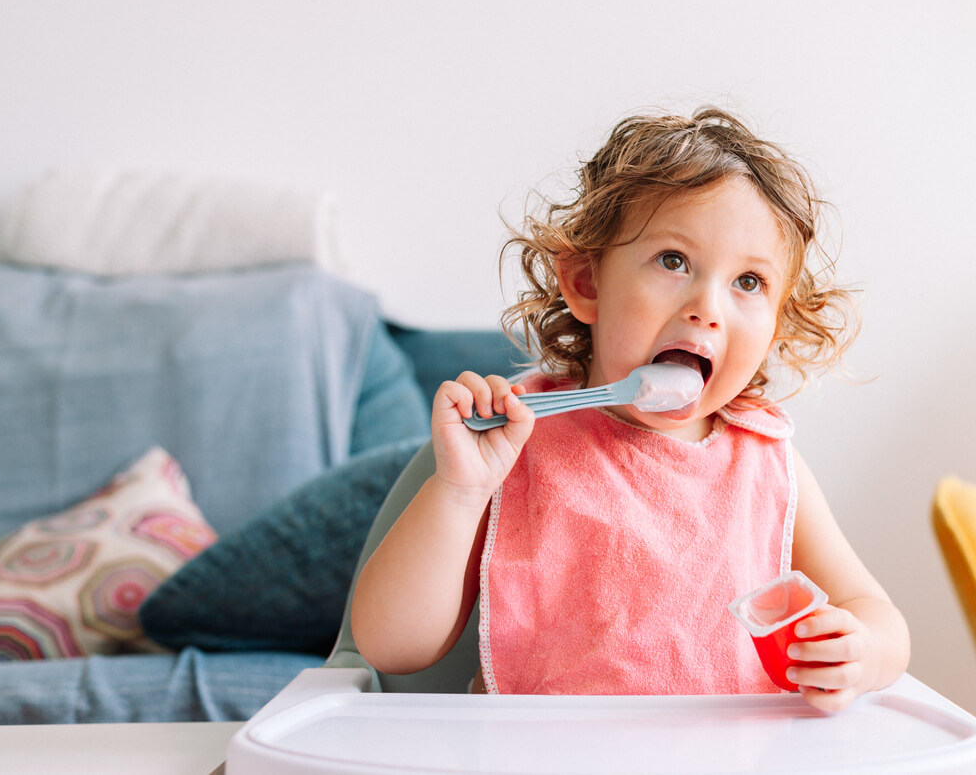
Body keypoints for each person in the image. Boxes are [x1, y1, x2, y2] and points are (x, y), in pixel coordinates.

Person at [350, 107, 910, 711]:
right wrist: (459, 492)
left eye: (749, 282)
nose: (707, 307)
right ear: (587, 283)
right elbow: (390, 647)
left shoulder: (767, 463)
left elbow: (877, 616)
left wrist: (861, 652)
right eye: (674, 261)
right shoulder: (519, 444)